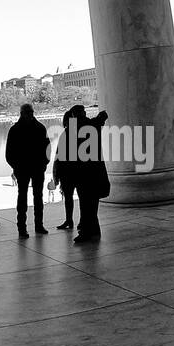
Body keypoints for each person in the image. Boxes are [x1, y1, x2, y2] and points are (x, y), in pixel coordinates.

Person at [4, 103, 50, 239]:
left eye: (30, 112)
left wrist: (16, 166)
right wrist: (43, 164)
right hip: (32, 168)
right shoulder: (40, 128)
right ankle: (34, 226)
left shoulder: (15, 130)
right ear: (24, 113)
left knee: (27, 197)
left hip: (27, 168)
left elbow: (9, 153)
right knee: (32, 197)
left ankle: (26, 227)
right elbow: (47, 149)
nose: (30, 114)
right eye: (28, 112)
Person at [71, 104, 110, 243]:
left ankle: (86, 232)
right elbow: (100, 119)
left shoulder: (74, 129)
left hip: (82, 174)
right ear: (84, 113)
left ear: (74, 115)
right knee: (92, 204)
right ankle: (93, 230)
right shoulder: (92, 125)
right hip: (95, 171)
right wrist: (101, 116)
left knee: (86, 204)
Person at [50, 109, 79, 230]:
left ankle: (69, 220)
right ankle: (78, 221)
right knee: (80, 198)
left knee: (68, 197)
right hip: (78, 171)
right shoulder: (81, 133)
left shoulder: (65, 134)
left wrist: (56, 175)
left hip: (67, 172)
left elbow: (58, 157)